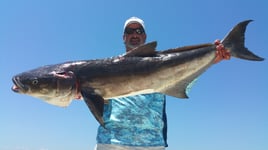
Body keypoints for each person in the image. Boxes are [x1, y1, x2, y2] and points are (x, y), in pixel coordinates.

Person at [94, 17, 230, 150]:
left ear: (145, 36)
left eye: (139, 31)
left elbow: (185, 86)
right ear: (124, 37)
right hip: (110, 143)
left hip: (152, 145)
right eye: (130, 31)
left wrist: (212, 59)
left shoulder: (160, 64)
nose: (134, 34)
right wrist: (80, 91)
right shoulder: (106, 67)